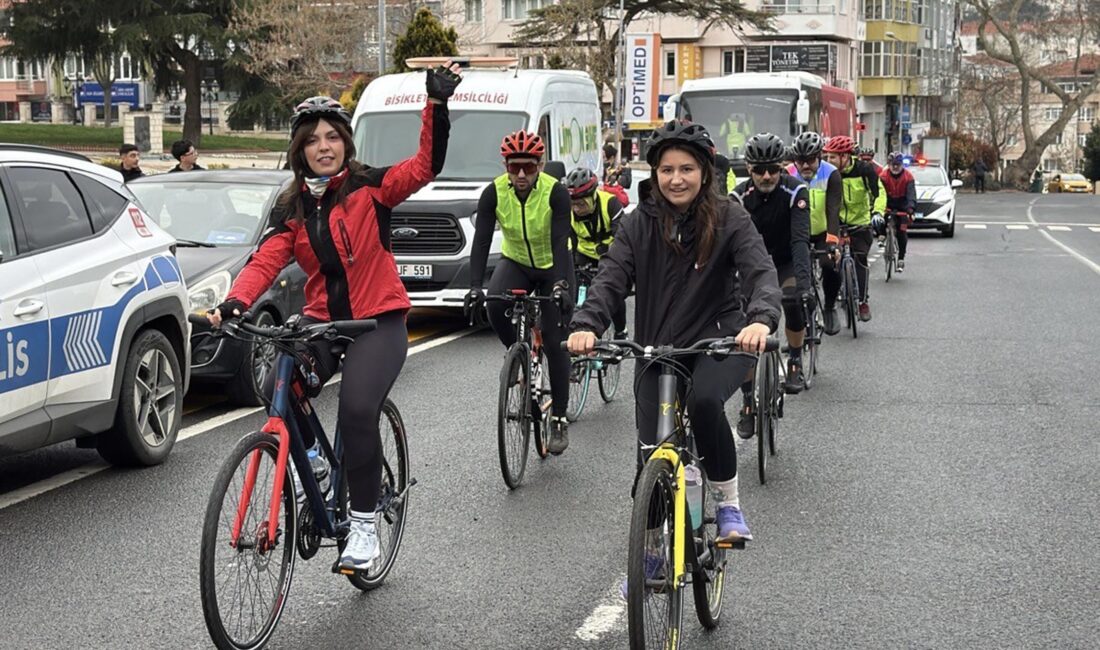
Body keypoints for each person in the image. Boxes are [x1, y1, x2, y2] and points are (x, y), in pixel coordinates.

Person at [205, 63, 463, 572]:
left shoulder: (372, 187)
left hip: (378, 322)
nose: (324, 147)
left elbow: (424, 165)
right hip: (322, 322)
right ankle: (318, 466)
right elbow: (266, 260)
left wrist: (435, 104)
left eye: (332, 137)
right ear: (299, 151)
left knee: (357, 409)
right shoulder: (292, 206)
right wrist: (235, 301)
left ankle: (364, 525)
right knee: (281, 385)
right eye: (312, 141)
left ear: (345, 142)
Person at [567, 120, 781, 545]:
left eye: (686, 169)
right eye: (666, 170)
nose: (676, 179)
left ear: (704, 172)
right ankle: (648, 553)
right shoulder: (635, 224)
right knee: (651, 456)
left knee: (704, 402)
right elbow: (610, 278)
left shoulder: (729, 217)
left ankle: (727, 502)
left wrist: (760, 319)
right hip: (656, 347)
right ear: (654, 173)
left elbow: (760, 271)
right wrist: (586, 325)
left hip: (719, 340)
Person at [465, 131, 575, 454]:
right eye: (515, 168)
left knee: (556, 342)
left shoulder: (556, 193)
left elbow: (559, 240)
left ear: (540, 164)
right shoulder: (494, 193)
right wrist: (474, 287)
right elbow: (482, 241)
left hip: (553, 263)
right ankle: (519, 352)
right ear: (506, 166)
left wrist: (560, 286)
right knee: (494, 305)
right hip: (517, 261)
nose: (522, 175)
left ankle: (559, 418)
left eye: (529, 166)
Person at [730, 133, 811, 444]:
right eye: (760, 170)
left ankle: (794, 360)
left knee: (792, 300)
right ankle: (748, 402)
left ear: (782, 168)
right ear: (749, 169)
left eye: (774, 170)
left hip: (785, 261)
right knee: (743, 326)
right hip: (752, 268)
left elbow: (800, 241)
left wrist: (803, 284)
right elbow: (730, 248)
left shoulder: (795, 191)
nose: (767, 176)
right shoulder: (738, 198)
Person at [822, 135, 885, 323]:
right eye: (827, 157)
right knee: (832, 262)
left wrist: (878, 212)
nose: (828, 161)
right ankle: (835, 295)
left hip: (860, 223)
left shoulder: (865, 170)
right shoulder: (827, 173)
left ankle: (863, 301)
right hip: (836, 223)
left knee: (860, 260)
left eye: (832, 157)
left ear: (845, 157)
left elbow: (879, 192)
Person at [787, 131, 842, 333]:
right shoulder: (787, 174)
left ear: (819, 156)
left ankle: (829, 307)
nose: (805, 166)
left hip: (822, 231)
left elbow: (833, 209)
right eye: (800, 161)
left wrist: (833, 242)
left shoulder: (832, 174)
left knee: (830, 264)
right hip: (796, 233)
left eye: (810, 160)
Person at [565, 166, 628, 338]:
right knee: (576, 290)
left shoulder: (611, 203)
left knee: (614, 291)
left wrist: (609, 254)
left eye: (581, 203)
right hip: (583, 254)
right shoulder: (568, 212)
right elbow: (569, 242)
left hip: (610, 254)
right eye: (573, 204)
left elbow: (622, 238)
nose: (577, 209)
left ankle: (621, 331)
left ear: (593, 196)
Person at [877, 151, 916, 273]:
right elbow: (879, 194)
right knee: (879, 218)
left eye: (897, 165)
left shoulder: (908, 177)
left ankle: (901, 259)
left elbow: (911, 194)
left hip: (902, 204)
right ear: (888, 164)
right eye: (892, 164)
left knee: (901, 232)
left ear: (901, 165)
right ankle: (882, 235)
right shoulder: (883, 176)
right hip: (887, 202)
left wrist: (910, 209)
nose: (895, 167)